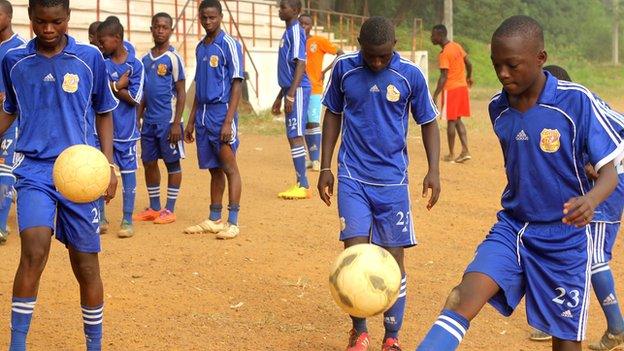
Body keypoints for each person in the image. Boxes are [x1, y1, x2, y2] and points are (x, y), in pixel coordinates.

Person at [415, 15, 623, 351]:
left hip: (564, 239)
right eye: (497, 65)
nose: (503, 74)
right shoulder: (499, 108)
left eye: (512, 65)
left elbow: (610, 174)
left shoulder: (576, 102)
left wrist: (592, 200)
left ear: (540, 58)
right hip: (513, 227)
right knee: (461, 297)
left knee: (566, 344)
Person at [1, 0, 119, 349]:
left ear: (68, 18)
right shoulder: (14, 61)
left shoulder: (89, 59)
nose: (48, 29)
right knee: (33, 252)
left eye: (56, 22)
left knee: (86, 267)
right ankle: (17, 345)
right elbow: (10, 109)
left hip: (80, 174)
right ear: (31, 19)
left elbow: (104, 112)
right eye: (40, 22)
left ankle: (93, 345)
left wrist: (108, 167)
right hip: (35, 171)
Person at [318, 16, 440, 351]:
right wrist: (325, 166)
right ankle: (359, 332)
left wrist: (434, 170)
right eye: (370, 54)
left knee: (393, 260)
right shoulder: (344, 68)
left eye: (383, 56)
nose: (376, 62)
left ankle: (392, 335)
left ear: (394, 47)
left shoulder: (409, 75)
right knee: (354, 254)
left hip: (393, 182)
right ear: (359, 44)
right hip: (352, 176)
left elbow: (428, 121)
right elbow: (332, 113)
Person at [526, 65, 624, 351]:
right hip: (614, 177)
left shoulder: (572, 109)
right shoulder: (583, 102)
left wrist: (594, 168)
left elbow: (596, 164)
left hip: (614, 182)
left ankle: (616, 326)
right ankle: (554, 320)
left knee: (592, 256)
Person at [182, 0, 243, 239]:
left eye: (212, 17)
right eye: (204, 18)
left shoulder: (229, 45)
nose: (208, 22)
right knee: (214, 169)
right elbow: (197, 85)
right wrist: (190, 119)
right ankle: (214, 218)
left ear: (220, 17)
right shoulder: (200, 47)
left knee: (229, 167)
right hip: (203, 115)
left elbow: (237, 83)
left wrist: (228, 121)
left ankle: (233, 221)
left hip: (221, 112)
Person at [135, 12, 186, 224]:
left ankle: (170, 209)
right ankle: (155, 207)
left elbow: (182, 92)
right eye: (157, 27)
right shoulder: (145, 60)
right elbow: (143, 93)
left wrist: (176, 123)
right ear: (151, 29)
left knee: (172, 164)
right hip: (149, 123)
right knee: (149, 162)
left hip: (168, 122)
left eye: (165, 27)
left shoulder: (174, 59)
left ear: (171, 31)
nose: (161, 30)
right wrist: (137, 119)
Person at [98, 16, 144, 238]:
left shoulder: (136, 65)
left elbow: (135, 97)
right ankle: (101, 216)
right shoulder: (102, 63)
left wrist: (114, 89)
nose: (100, 45)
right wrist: (118, 85)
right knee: (100, 172)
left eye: (103, 41)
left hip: (126, 132)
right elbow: (97, 92)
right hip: (103, 132)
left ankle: (127, 218)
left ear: (116, 39)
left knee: (128, 174)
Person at [271, 0, 312, 200]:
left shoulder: (296, 32)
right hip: (290, 89)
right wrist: (280, 96)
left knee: (296, 135)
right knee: (292, 135)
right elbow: (288, 68)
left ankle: (302, 185)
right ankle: (301, 182)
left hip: (299, 90)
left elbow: (301, 64)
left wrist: (291, 94)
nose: (280, 10)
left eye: (283, 7)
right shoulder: (287, 33)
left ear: (295, 11)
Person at [298, 13, 344, 172]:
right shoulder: (295, 42)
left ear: (311, 26)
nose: (303, 26)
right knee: (302, 124)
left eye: (306, 24)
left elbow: (340, 53)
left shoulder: (318, 41)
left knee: (313, 122)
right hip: (298, 89)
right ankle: (308, 158)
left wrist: (325, 71)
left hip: (314, 88)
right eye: (301, 23)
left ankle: (316, 160)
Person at [0, 0, 26, 245]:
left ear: (8, 16)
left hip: (10, 118)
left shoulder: (20, 49)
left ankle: (0, 225)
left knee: (4, 169)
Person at [431, 24, 472, 163]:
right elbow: (469, 63)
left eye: (433, 35)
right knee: (458, 119)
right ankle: (465, 150)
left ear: (440, 35)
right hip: (462, 88)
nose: (431, 37)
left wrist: (435, 94)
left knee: (451, 121)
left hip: (451, 90)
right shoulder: (456, 46)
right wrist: (469, 77)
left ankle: (451, 154)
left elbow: (443, 76)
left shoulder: (444, 54)